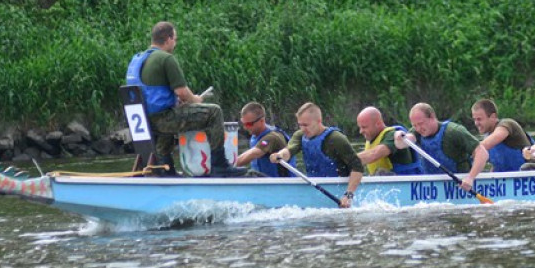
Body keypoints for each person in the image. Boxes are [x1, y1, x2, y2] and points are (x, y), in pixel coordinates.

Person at [125, 21, 244, 177]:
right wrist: (195, 99)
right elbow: (182, 92)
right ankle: (220, 166)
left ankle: (165, 168)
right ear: (168, 39)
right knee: (214, 112)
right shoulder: (166, 58)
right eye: (175, 39)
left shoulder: (138, 59)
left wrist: (175, 101)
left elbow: (152, 93)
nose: (175, 43)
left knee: (172, 114)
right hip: (162, 120)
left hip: (145, 122)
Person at [271, 102, 363, 208]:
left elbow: (357, 166)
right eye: (300, 125)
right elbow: (289, 150)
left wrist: (349, 195)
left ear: (319, 121)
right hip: (315, 186)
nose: (302, 129)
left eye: (306, 125)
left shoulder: (336, 138)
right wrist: (279, 155)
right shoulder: (300, 135)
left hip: (338, 189)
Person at [402, 102, 489, 190]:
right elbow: (404, 142)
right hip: (432, 187)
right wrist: (399, 136)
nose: (418, 129)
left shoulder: (454, 131)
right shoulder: (416, 132)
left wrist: (470, 178)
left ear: (432, 117)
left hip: (459, 185)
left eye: (421, 124)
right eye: (415, 125)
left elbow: (482, 153)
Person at [356, 106, 422, 176]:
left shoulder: (393, 135)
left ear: (378, 123)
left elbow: (374, 154)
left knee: (380, 172)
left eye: (364, 127)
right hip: (383, 183)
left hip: (404, 181)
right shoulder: (371, 139)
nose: (361, 131)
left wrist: (348, 160)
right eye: (360, 127)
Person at [470, 99, 532, 173]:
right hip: (508, 177)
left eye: (479, 119)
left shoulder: (506, 124)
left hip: (529, 173)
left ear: (493, 116)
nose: (476, 123)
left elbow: (485, 144)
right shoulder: (487, 136)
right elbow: (495, 165)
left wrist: (468, 151)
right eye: (475, 119)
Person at [233, 102, 294, 177]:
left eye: (249, 124)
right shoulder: (255, 135)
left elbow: (252, 154)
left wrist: (228, 167)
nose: (245, 127)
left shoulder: (272, 137)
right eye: (244, 123)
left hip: (281, 185)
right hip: (262, 183)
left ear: (261, 121)